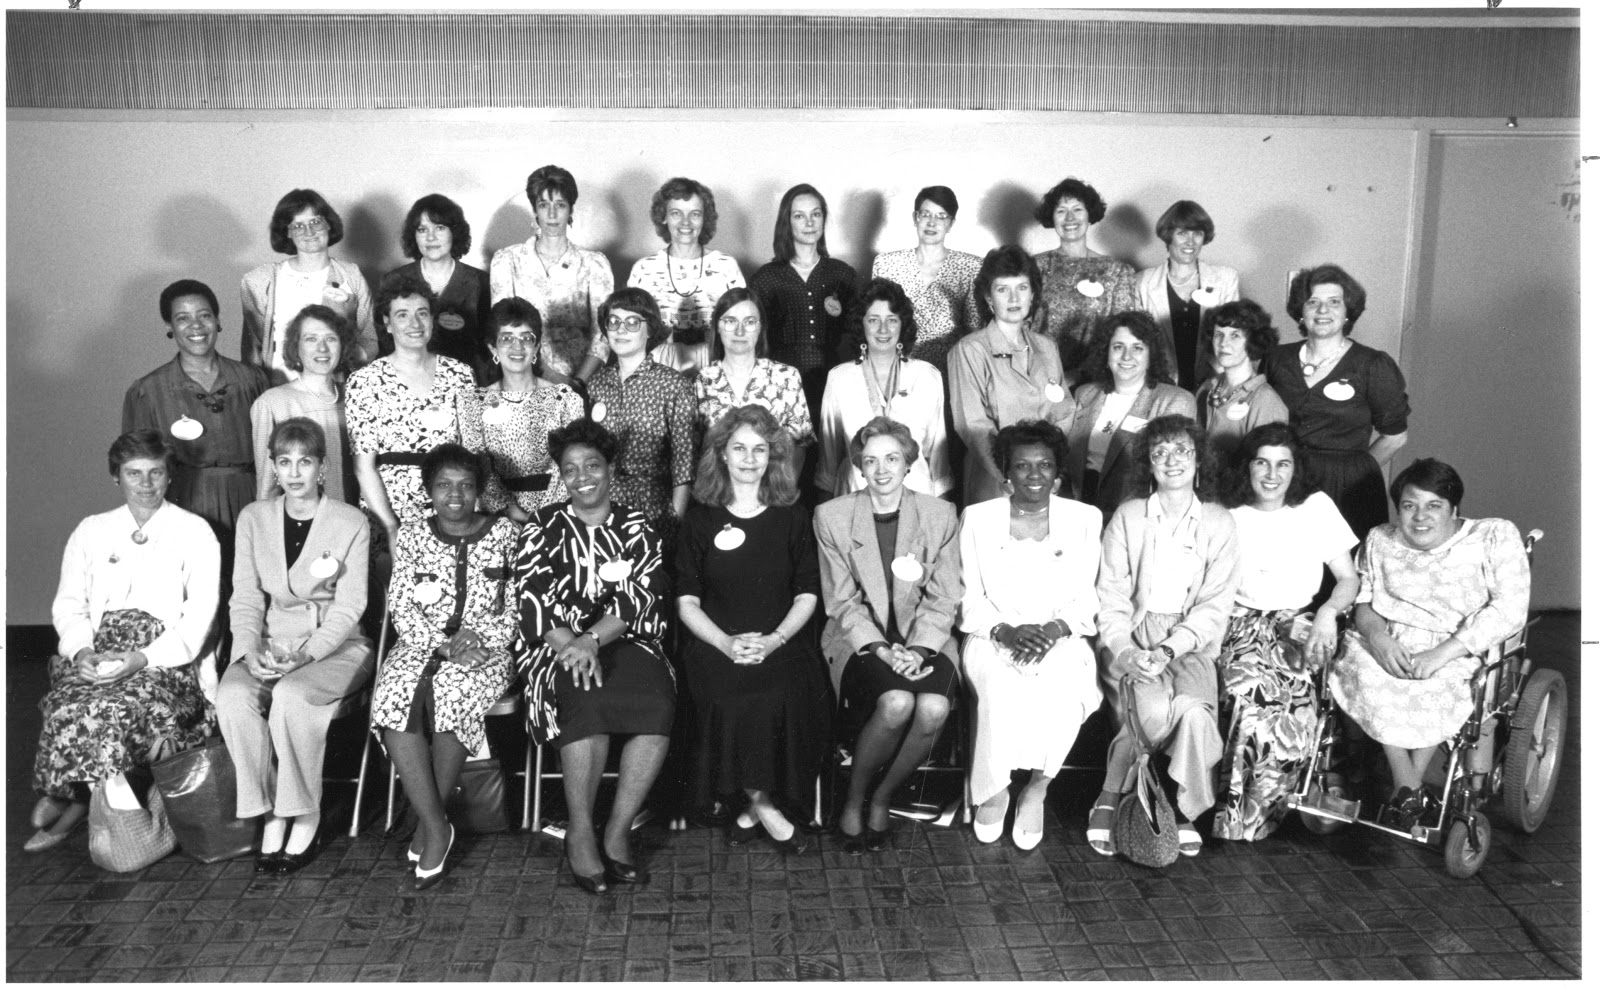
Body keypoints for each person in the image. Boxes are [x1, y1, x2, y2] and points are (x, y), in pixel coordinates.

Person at [27, 430, 219, 853]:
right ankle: (68, 791)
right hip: (100, 650)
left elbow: (199, 619)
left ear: (171, 477)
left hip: (165, 661)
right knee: (65, 701)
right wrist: (82, 651)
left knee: (113, 707)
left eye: (156, 473)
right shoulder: (92, 530)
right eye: (134, 473)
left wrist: (144, 657)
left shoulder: (195, 532)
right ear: (117, 477)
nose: (146, 484)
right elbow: (68, 605)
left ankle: (76, 807)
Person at [511, 420, 676, 894]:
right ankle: (580, 830)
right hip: (556, 647)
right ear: (560, 476)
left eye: (592, 465)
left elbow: (642, 594)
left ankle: (618, 828)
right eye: (570, 469)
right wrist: (573, 645)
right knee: (584, 699)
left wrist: (593, 642)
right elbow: (532, 596)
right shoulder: (543, 526)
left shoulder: (637, 524)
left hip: (626, 641)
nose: (582, 477)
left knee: (657, 703)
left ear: (609, 469)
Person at [1329, 459, 1530, 830]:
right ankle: (1410, 787)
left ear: (1454, 509)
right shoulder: (1380, 539)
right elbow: (1364, 603)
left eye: (1433, 505)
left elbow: (1510, 609)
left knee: (1438, 685)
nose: (1420, 517)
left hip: (1460, 647)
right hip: (1388, 639)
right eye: (1409, 505)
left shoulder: (1493, 535)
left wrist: (1443, 653)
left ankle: (1405, 788)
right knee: (1372, 678)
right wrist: (1378, 639)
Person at [217, 418, 373, 873]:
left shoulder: (350, 521)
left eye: (305, 461)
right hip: (269, 643)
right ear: (274, 466)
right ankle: (267, 811)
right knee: (232, 696)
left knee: (290, 695)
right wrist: (249, 652)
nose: (294, 472)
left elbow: (350, 607)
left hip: (336, 646)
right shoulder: (254, 518)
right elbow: (245, 596)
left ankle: (304, 812)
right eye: (284, 462)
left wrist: (307, 655)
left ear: (322, 467)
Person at [675, 405, 832, 854]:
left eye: (759, 450)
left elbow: (807, 595)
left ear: (773, 457)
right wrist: (726, 643)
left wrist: (773, 640)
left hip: (781, 640)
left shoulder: (793, 516)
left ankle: (751, 807)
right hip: (713, 643)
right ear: (721, 454)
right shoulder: (701, 519)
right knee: (731, 695)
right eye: (739, 448)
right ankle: (766, 808)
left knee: (784, 692)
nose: (749, 458)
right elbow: (686, 602)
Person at [369, 443, 519, 890]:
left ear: (478, 492)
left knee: (453, 693)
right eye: (443, 486)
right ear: (428, 491)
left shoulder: (506, 534)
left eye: (465, 486)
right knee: (392, 698)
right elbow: (402, 606)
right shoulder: (413, 535)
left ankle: (427, 825)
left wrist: (480, 639)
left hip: (486, 651)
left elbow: (515, 608)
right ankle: (437, 825)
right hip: (421, 645)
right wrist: (442, 646)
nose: (455, 495)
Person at [1090, 415, 1241, 860]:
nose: (1172, 461)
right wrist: (1126, 650)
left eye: (1182, 451)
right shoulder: (1129, 516)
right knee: (1153, 710)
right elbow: (1111, 595)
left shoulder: (1219, 522)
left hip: (1189, 641)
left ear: (1199, 461)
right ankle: (1108, 795)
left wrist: (1170, 648)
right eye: (1160, 453)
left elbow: (1215, 605)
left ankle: (1180, 803)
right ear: (1148, 465)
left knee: (1194, 714)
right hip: (1134, 636)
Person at [815, 418, 961, 854]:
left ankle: (883, 796)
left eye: (892, 459)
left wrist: (917, 649)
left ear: (909, 464)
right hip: (858, 638)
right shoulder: (833, 516)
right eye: (871, 460)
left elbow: (944, 596)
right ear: (859, 466)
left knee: (933, 708)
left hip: (927, 638)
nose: (881, 470)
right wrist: (881, 649)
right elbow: (841, 602)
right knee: (896, 703)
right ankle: (855, 798)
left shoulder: (939, 514)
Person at [957, 421, 1103, 850]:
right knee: (999, 689)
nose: (1034, 474)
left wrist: (1054, 630)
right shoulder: (978, 519)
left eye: (1044, 465)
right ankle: (995, 790)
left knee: (1063, 688)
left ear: (1058, 472)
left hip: (1061, 636)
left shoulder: (1084, 518)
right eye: (1022, 466)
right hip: (992, 633)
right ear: (1006, 472)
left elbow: (1088, 598)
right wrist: (1004, 631)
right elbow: (969, 597)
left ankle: (1038, 787)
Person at [1213, 423, 1358, 841]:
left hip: (1300, 622)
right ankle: (1233, 817)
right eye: (1262, 462)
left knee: (1290, 702)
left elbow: (1348, 579)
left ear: (1296, 469)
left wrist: (1329, 613)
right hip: (1239, 621)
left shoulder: (1315, 506)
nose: (1272, 474)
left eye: (1283, 464)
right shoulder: (1228, 511)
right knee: (1245, 693)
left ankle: (1260, 814)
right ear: (1248, 467)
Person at [1264, 264, 1410, 540]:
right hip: (1285, 480)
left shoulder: (1372, 365)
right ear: (1301, 311)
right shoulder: (1277, 359)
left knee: (1344, 574)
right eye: (1313, 302)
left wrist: (1356, 471)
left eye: (1334, 302)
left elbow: (1396, 436)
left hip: (1348, 489)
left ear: (1347, 312)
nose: (1323, 311)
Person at [124, 279, 270, 548]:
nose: (196, 326)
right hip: (185, 503)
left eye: (204, 316)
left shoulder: (252, 380)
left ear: (217, 320)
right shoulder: (149, 391)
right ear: (169, 326)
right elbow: (138, 469)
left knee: (250, 585)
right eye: (183, 318)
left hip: (250, 501)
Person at [347, 276, 484, 556]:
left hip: (452, 505)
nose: (415, 324)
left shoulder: (460, 374)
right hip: (389, 510)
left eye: (422, 313)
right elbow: (364, 467)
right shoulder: (365, 381)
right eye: (402, 315)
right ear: (387, 322)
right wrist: (391, 526)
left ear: (433, 319)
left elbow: (472, 453)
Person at [948, 246, 1075, 505]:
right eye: (1002, 289)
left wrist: (1053, 470)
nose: (1013, 298)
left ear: (1033, 294)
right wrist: (1010, 476)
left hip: (1046, 481)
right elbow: (973, 426)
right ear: (988, 297)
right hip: (996, 481)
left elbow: (1064, 413)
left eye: (1022, 287)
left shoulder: (1047, 347)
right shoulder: (969, 349)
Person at [817, 278, 952, 500]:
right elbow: (827, 465)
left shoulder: (927, 376)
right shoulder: (839, 378)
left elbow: (939, 459)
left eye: (892, 320)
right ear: (861, 324)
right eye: (873, 320)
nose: (883, 329)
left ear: (903, 325)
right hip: (855, 493)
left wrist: (941, 521)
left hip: (915, 495)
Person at [584, 288, 698, 539]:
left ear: (650, 330)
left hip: (654, 509)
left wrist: (673, 521)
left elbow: (684, 465)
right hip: (601, 507)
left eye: (633, 322)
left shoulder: (674, 385)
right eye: (613, 322)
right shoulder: (596, 384)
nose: (621, 330)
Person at [1064, 311, 1196, 519]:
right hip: (1078, 511)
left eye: (1137, 348)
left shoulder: (1174, 400)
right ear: (1105, 353)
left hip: (1135, 515)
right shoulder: (1085, 393)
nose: (1126, 357)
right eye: (1118, 347)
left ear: (1151, 356)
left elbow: (1169, 474)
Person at [489, 164, 614, 383]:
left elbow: (603, 335)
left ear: (571, 210)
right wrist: (550, 378)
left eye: (560, 205)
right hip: (524, 379)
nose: (553, 214)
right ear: (535, 209)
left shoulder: (594, 264)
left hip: (583, 382)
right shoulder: (507, 261)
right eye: (544, 205)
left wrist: (577, 384)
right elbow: (504, 332)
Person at [240, 188, 378, 382]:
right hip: (279, 387)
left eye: (315, 221)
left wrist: (346, 366)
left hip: (335, 388)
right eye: (297, 225)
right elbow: (252, 350)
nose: (309, 232)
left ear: (329, 224)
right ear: (286, 232)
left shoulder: (351, 275)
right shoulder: (259, 281)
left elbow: (369, 340)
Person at [468, 298, 584, 523]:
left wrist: (543, 518)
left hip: (556, 517)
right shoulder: (474, 402)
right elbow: (479, 467)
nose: (517, 347)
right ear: (493, 347)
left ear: (537, 347)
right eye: (507, 338)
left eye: (526, 338)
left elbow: (572, 462)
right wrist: (513, 513)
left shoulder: (566, 399)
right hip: (497, 519)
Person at [749, 183, 858, 413]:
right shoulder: (766, 278)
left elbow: (856, 336)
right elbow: (755, 343)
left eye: (816, 214)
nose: (809, 223)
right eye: (800, 216)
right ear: (786, 222)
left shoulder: (842, 274)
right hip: (780, 382)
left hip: (835, 379)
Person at [626, 176, 746, 376]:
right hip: (659, 371)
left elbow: (740, 327)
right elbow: (633, 333)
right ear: (663, 217)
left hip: (715, 368)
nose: (685, 222)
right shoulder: (643, 270)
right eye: (676, 213)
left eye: (695, 214)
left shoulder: (726, 267)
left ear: (704, 218)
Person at [1028, 177, 1139, 373]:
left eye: (1077, 209)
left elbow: (1122, 334)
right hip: (1041, 374)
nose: (1070, 218)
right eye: (1061, 211)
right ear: (1052, 218)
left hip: (1094, 378)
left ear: (1089, 215)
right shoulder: (1035, 266)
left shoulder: (1118, 272)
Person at [250, 304, 359, 505]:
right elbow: (267, 489)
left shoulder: (358, 396)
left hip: (359, 520)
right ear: (295, 346)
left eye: (331, 338)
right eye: (311, 339)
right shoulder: (272, 403)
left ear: (342, 345)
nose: (322, 348)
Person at [869, 185, 982, 374]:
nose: (932, 223)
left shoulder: (971, 266)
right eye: (926, 214)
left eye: (941, 216)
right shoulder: (887, 264)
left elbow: (974, 330)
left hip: (953, 367)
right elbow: (877, 323)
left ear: (951, 224)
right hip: (899, 366)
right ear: (915, 218)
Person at [383, 193, 492, 382]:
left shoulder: (480, 282)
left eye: (439, 228)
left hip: (469, 382)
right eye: (422, 230)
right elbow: (384, 342)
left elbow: (488, 349)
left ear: (454, 232)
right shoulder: (393, 280)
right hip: (408, 382)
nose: (431, 237)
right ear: (414, 236)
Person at [1133, 200, 1242, 390]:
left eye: (1197, 233)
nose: (1190, 241)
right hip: (1159, 387)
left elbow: (1233, 337)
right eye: (1182, 233)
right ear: (1169, 236)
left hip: (1213, 384)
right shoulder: (1141, 282)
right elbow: (1137, 343)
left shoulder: (1225, 279)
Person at [693, 288, 814, 457]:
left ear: (760, 327)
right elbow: (694, 450)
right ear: (718, 327)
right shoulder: (703, 380)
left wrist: (785, 484)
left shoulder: (787, 377)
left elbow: (800, 445)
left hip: (774, 482)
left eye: (749, 322)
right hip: (717, 482)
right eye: (730, 321)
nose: (740, 331)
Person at [1193, 300, 1289, 463]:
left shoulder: (1265, 400)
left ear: (1252, 341)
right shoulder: (1207, 388)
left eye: (1235, 335)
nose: (1223, 343)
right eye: (1219, 334)